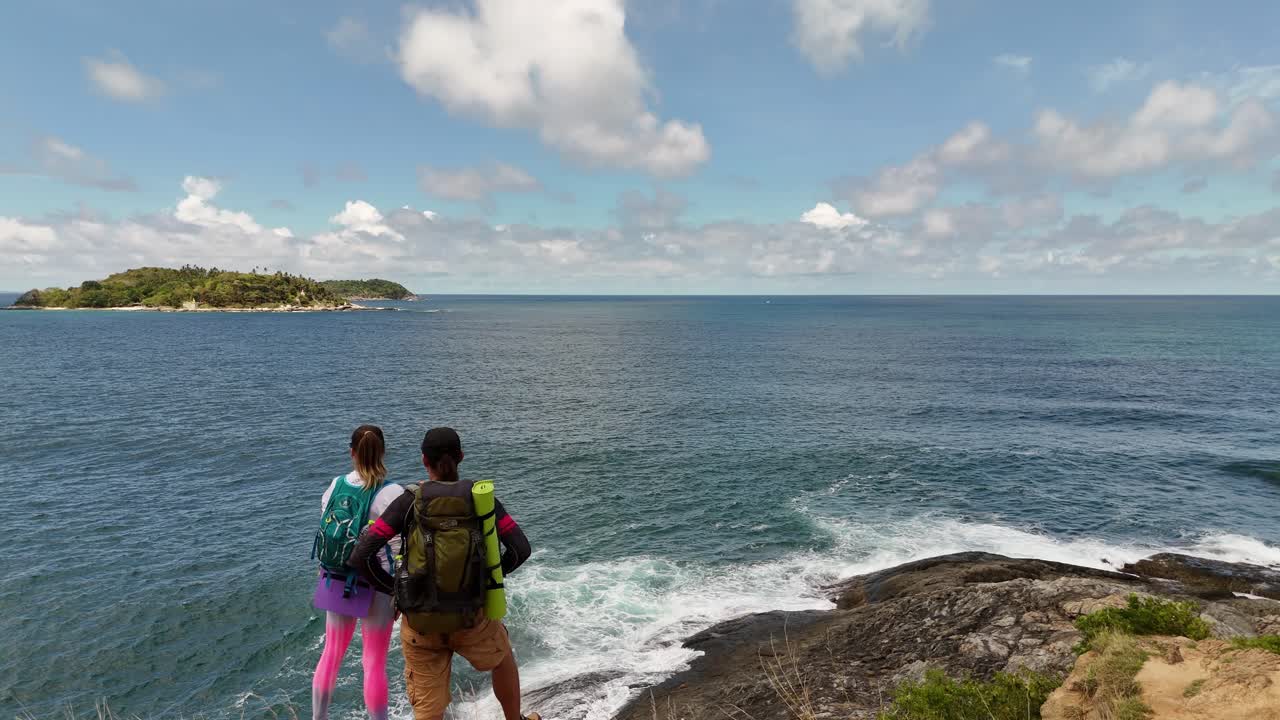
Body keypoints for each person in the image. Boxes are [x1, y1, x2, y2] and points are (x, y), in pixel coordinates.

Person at [348, 427, 536, 720]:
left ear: (424, 460)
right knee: (502, 659)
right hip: (472, 618)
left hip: (421, 623)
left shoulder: (410, 501)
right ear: (461, 457)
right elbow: (520, 549)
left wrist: (395, 591)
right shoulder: (480, 500)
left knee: (427, 705)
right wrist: (486, 581)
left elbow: (361, 556)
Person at [312, 425, 404, 720]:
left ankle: (319, 717)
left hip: (337, 578)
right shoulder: (392, 493)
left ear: (351, 452)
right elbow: (403, 544)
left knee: (331, 653)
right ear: (383, 452)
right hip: (377, 583)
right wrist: (399, 589)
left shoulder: (334, 486)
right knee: (373, 661)